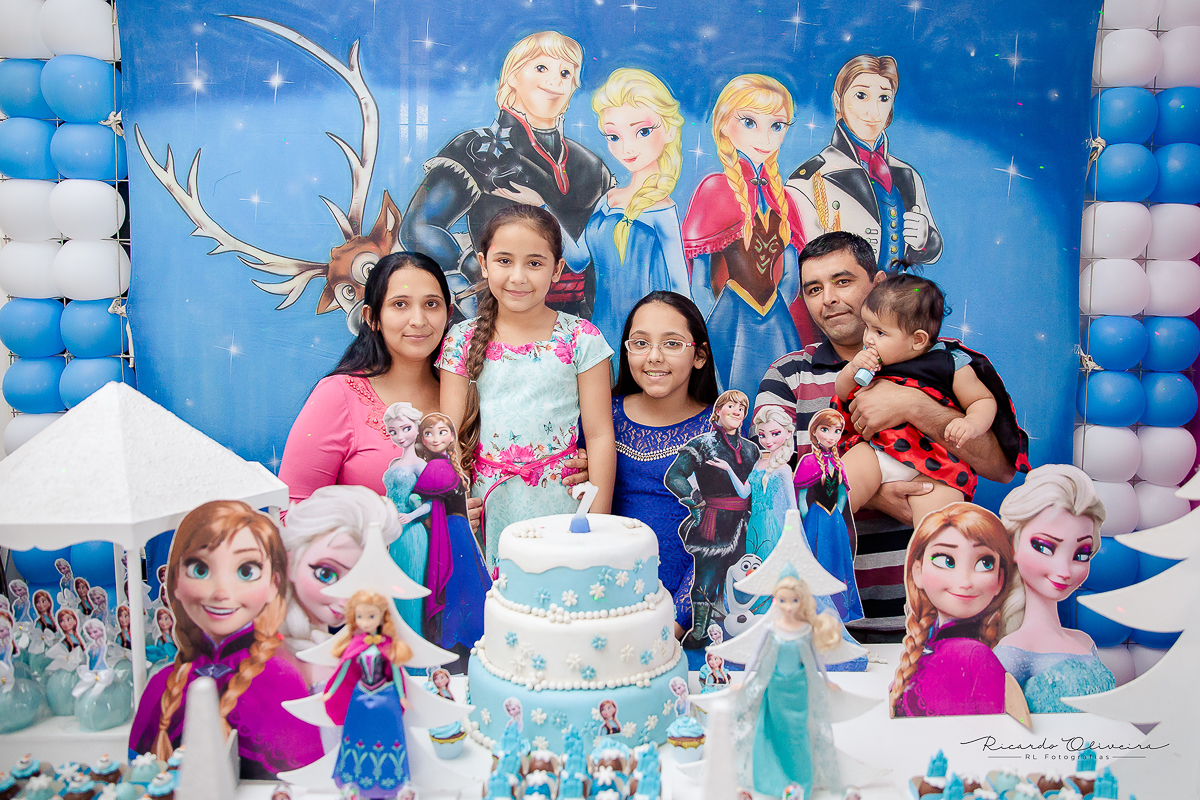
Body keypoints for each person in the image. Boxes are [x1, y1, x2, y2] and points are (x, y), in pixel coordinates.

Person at [754, 231, 1025, 636]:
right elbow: (774, 480)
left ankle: (942, 602)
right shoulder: (787, 374)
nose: (828, 298)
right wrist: (878, 489)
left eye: (842, 281)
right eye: (814, 288)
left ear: (878, 284)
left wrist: (912, 406)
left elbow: (1001, 468)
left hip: (919, 625)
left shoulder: (946, 360)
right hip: (821, 623)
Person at [278, 251, 588, 519]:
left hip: (476, 576)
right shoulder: (338, 395)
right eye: (400, 305)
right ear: (372, 317)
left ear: (448, 314)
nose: (418, 320)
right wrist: (413, 524)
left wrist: (566, 466)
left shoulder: (468, 390)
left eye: (431, 304)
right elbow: (292, 511)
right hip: (371, 580)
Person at [439, 204, 616, 566]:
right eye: (504, 261)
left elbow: (599, 436)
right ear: (484, 263)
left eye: (534, 263)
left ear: (557, 270)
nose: (518, 276)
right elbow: (449, 437)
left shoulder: (582, 339)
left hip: (562, 505)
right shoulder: (461, 340)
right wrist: (454, 507)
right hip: (485, 508)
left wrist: (596, 521)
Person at [400, 31, 614, 318]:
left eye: (565, 73)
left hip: (577, 323)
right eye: (541, 68)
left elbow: (599, 255)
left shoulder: (591, 164)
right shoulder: (476, 149)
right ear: (513, 76)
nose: (555, 81)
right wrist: (473, 272)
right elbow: (419, 228)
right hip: (497, 317)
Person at [128, 500, 322, 779]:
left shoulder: (282, 680)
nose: (221, 592)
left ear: (273, 585)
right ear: (175, 583)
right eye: (200, 569)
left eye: (246, 571)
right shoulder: (161, 686)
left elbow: (304, 783)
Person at [683, 74, 810, 401]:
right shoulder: (714, 188)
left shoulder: (784, 197)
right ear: (724, 124)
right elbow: (699, 282)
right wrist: (712, 325)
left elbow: (792, 276)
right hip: (729, 320)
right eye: (750, 122)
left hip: (775, 321)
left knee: (780, 403)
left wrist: (776, 309)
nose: (766, 136)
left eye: (777, 125)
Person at [835, 273, 1000, 524]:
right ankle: (822, 545)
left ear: (918, 340)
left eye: (879, 332)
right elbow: (842, 392)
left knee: (938, 528)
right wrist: (851, 369)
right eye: (867, 326)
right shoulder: (871, 358)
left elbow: (983, 401)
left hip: (935, 466)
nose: (868, 338)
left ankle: (929, 558)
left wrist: (972, 424)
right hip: (876, 452)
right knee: (835, 491)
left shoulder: (950, 364)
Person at [551, 68, 690, 354]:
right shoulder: (608, 200)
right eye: (613, 136)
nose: (626, 147)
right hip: (603, 329)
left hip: (647, 338)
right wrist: (540, 207)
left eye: (642, 131)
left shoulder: (663, 209)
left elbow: (680, 289)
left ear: (669, 130)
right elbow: (577, 260)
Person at [611, 291, 718, 633]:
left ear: (699, 355)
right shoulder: (602, 420)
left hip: (683, 616)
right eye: (640, 343)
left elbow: (718, 539)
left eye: (671, 344)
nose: (653, 357)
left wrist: (677, 620)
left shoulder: (719, 432)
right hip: (606, 602)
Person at [787, 54, 941, 272]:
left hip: (896, 301)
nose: (874, 111)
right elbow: (804, 267)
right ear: (837, 100)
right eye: (861, 95)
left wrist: (925, 240)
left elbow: (930, 253)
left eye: (884, 98)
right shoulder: (810, 179)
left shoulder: (907, 174)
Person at [994, 465, 1116, 713]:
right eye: (1045, 547)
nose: (1064, 570)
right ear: (1012, 545)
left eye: (1080, 554)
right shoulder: (1013, 652)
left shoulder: (1085, 642)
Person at [714, 572, 843, 798]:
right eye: (782, 600)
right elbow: (755, 657)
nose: (788, 606)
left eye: (793, 600)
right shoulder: (771, 629)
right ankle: (776, 782)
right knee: (773, 733)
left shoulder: (804, 629)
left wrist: (828, 680)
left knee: (798, 734)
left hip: (798, 690)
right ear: (775, 600)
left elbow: (815, 658)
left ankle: (801, 781)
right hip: (775, 689)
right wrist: (742, 681)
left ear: (801, 600)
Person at [889, 503, 1017, 718]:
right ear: (917, 571)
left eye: (984, 563)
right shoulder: (926, 648)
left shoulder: (976, 656)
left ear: (1000, 580)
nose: (965, 581)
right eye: (945, 560)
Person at [664, 390, 760, 647]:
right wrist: (694, 500)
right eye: (731, 405)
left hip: (748, 523)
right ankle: (698, 633)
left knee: (747, 579)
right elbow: (674, 476)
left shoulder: (752, 450)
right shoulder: (701, 444)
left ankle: (741, 633)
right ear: (718, 411)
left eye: (741, 407)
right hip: (714, 522)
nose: (737, 410)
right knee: (707, 578)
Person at [279, 485, 401, 686]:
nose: (345, 601)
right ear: (290, 562)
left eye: (362, 580)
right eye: (326, 574)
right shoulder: (281, 656)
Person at [323, 590, 415, 799]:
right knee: (357, 735)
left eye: (371, 616)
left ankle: (388, 782)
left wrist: (401, 696)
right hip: (361, 697)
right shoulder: (356, 645)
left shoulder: (387, 645)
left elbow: (397, 674)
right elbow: (343, 670)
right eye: (360, 617)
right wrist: (330, 693)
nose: (365, 622)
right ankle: (356, 781)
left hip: (385, 698)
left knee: (387, 737)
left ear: (382, 617)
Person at [414, 412, 490, 658]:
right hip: (450, 532)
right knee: (458, 585)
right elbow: (421, 499)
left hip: (459, 531)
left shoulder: (446, 464)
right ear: (422, 439)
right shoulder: (436, 467)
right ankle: (457, 641)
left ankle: (464, 640)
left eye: (441, 432)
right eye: (429, 433)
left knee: (461, 585)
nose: (436, 438)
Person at [794, 409, 864, 623]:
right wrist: (808, 518)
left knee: (837, 561)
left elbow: (842, 491)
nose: (831, 436)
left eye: (836, 431)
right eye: (825, 430)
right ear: (814, 432)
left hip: (834, 519)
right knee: (818, 560)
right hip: (816, 518)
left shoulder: (838, 463)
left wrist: (839, 511)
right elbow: (801, 495)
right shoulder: (807, 462)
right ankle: (813, 612)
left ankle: (839, 611)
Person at [709, 405, 797, 562]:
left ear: (788, 433)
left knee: (771, 569)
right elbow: (743, 492)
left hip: (774, 525)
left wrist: (790, 533)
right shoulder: (758, 464)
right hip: (755, 524)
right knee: (754, 566)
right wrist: (729, 469)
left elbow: (791, 506)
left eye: (775, 433)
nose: (768, 440)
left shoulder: (783, 469)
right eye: (762, 435)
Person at [381, 401, 431, 636]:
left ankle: (414, 653)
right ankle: (395, 647)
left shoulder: (421, 465)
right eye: (393, 431)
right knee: (392, 589)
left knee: (410, 586)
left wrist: (411, 515)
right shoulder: (393, 464)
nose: (400, 436)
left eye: (405, 429)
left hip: (412, 532)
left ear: (417, 428)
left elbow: (432, 502)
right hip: (391, 531)